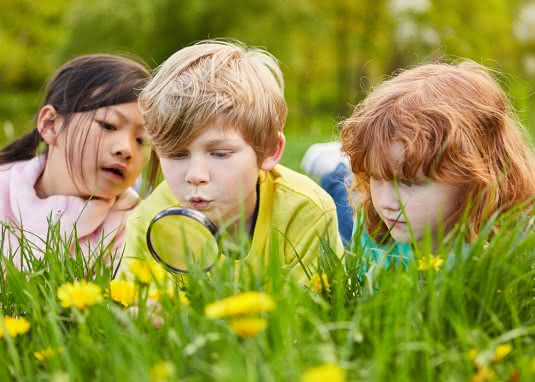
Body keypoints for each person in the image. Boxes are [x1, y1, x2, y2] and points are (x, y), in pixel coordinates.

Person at [119, 40, 343, 281]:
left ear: (269, 151)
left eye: (219, 154)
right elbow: (132, 305)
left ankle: (340, 169)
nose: (195, 175)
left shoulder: (306, 210)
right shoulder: (147, 220)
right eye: (176, 154)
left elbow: (311, 311)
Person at [337, 60, 535, 267]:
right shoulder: (373, 230)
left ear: (474, 177)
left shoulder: (509, 253)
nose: (385, 202)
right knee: (339, 197)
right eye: (375, 177)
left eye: (408, 182)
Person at [0, 54, 151, 270]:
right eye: (108, 125)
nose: (127, 149)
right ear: (51, 124)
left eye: (140, 140)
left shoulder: (136, 225)